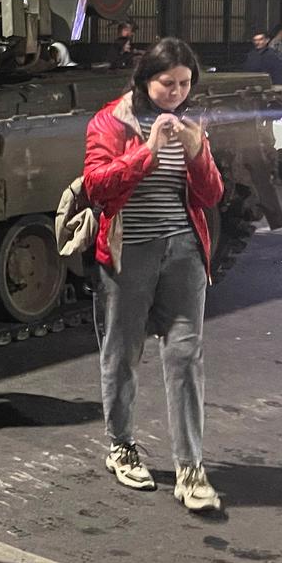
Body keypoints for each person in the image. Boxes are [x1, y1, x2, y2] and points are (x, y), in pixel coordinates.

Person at [82, 37, 224, 514]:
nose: (177, 93)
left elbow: (211, 194)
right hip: (131, 252)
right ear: (146, 80)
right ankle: (121, 445)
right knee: (122, 353)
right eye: (168, 84)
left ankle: (191, 466)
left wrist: (198, 150)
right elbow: (98, 185)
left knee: (186, 356)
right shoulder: (110, 121)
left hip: (184, 252)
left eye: (185, 84)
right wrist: (148, 150)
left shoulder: (190, 123)